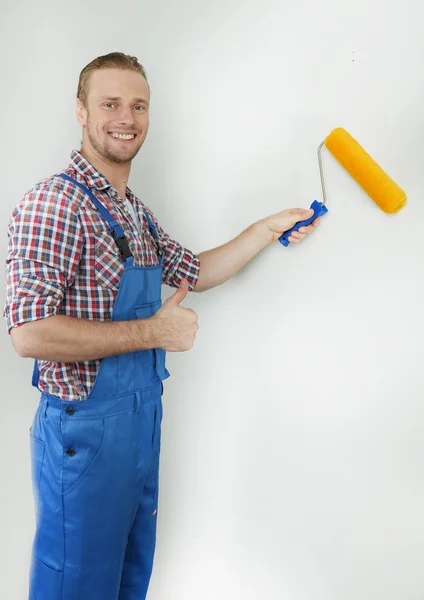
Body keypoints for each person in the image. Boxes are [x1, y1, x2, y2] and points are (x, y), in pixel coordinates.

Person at [3, 52, 319, 600]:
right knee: (74, 585)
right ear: (81, 111)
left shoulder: (134, 212)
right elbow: (28, 333)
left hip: (140, 427)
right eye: (110, 103)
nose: (126, 117)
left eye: (139, 105)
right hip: (84, 435)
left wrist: (266, 229)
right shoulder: (55, 203)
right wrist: (153, 333)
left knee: (128, 581)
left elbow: (195, 272)